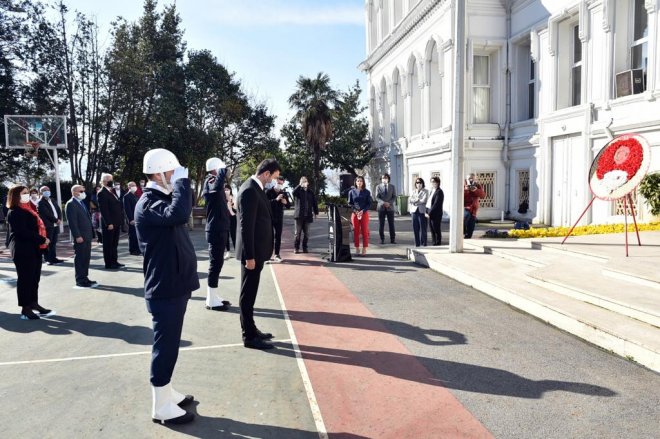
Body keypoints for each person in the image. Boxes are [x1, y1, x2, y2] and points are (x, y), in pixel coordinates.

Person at [135, 148, 198, 425]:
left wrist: (181, 184)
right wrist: (182, 183)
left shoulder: (162, 198)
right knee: (165, 347)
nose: (176, 177)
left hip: (174, 284)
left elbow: (182, 208)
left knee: (170, 345)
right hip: (164, 287)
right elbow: (179, 214)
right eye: (172, 172)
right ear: (159, 174)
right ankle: (160, 406)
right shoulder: (148, 202)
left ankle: (167, 392)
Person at [235, 158, 280, 350]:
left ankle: (252, 329)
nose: (274, 181)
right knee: (247, 294)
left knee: (251, 293)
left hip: (258, 252)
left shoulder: (256, 188)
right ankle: (249, 336)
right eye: (274, 177)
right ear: (266, 173)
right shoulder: (249, 190)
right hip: (252, 254)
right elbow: (246, 227)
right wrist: (249, 256)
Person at [5, 185, 51, 319]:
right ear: (16, 196)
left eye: (27, 192)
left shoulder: (29, 208)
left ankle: (33, 303)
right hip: (22, 249)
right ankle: (25, 307)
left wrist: (42, 240)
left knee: (34, 278)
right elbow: (22, 232)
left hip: (34, 247)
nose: (27, 195)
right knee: (25, 279)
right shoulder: (14, 211)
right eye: (24, 193)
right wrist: (42, 239)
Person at [203, 157, 232, 312]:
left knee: (217, 263)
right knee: (215, 264)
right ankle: (211, 300)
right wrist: (221, 171)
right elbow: (216, 186)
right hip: (216, 229)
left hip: (219, 228)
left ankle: (213, 295)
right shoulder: (211, 180)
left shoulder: (214, 181)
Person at [65, 185, 98, 288]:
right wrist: (77, 235)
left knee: (86, 258)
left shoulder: (81, 202)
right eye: (81, 191)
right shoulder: (71, 204)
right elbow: (72, 222)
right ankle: (80, 280)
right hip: (80, 237)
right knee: (80, 258)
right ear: (74, 192)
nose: (83, 193)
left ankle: (85, 278)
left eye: (83, 191)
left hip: (87, 236)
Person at [97, 173, 124, 269]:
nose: (111, 181)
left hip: (116, 222)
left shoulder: (111, 191)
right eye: (109, 180)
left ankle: (114, 261)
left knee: (114, 244)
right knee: (108, 244)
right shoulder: (102, 192)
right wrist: (109, 223)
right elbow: (104, 210)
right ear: (104, 181)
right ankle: (109, 263)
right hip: (110, 223)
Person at [292, 176, 318, 254]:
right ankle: (296, 248)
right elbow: (293, 193)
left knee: (307, 234)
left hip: (308, 216)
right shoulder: (298, 191)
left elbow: (314, 203)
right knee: (297, 233)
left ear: (308, 182)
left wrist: (316, 212)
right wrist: (299, 185)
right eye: (303, 181)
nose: (304, 182)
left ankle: (305, 247)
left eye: (305, 181)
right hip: (299, 216)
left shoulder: (310, 192)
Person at [37, 185, 64, 265]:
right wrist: (56, 220)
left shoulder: (52, 200)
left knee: (54, 242)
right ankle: (48, 259)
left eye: (48, 190)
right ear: (41, 192)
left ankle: (53, 258)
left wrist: (59, 219)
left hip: (55, 225)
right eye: (45, 190)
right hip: (48, 225)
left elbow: (58, 210)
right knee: (48, 242)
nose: (47, 191)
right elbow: (47, 214)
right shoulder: (40, 202)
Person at [265, 175, 289, 262]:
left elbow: (288, 206)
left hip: (279, 217)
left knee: (278, 236)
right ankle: (267, 255)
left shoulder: (284, 193)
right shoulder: (268, 191)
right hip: (270, 217)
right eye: (278, 183)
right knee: (269, 236)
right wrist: (276, 199)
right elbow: (265, 204)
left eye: (281, 184)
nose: (279, 185)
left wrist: (285, 202)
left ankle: (277, 254)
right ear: (275, 182)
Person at [348, 176, 373, 256]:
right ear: (355, 182)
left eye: (361, 181)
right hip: (355, 214)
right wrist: (355, 211)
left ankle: (364, 248)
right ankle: (357, 248)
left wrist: (363, 211)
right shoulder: (351, 192)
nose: (359, 182)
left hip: (364, 214)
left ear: (363, 182)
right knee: (356, 231)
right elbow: (349, 203)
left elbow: (369, 204)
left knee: (364, 231)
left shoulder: (367, 192)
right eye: (358, 181)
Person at [376, 173, 397, 245]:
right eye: (383, 178)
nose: (384, 179)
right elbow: (377, 197)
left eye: (386, 178)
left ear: (388, 179)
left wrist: (389, 203)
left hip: (390, 208)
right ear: (381, 179)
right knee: (381, 224)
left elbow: (394, 197)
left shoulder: (392, 187)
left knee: (391, 224)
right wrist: (383, 203)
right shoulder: (378, 187)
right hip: (381, 208)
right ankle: (382, 239)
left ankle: (392, 239)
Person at [464, 173, 486, 239]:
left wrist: (475, 190)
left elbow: (483, 195)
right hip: (465, 207)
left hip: (473, 208)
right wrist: (466, 190)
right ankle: (462, 232)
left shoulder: (477, 185)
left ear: (475, 179)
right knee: (465, 218)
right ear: (466, 179)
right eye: (469, 178)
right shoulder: (463, 184)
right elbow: (460, 195)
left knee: (471, 225)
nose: (471, 180)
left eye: (472, 179)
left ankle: (468, 237)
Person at [409, 177, 429, 247]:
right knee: (415, 228)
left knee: (423, 229)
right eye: (417, 183)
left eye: (420, 182)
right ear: (415, 184)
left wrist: (415, 201)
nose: (419, 184)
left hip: (421, 211)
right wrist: (416, 200)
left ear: (422, 184)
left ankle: (423, 243)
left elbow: (424, 200)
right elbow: (410, 200)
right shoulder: (413, 191)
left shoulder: (425, 191)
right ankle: (417, 243)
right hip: (414, 212)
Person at [123, 181, 142, 256]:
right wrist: (130, 219)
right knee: (132, 235)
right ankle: (133, 250)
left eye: (135, 185)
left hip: (137, 218)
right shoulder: (126, 196)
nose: (134, 187)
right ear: (129, 187)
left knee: (137, 234)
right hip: (132, 219)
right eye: (132, 185)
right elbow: (127, 209)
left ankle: (137, 249)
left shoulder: (135, 195)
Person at [427, 176, 445, 246]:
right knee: (431, 229)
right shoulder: (432, 191)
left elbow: (436, 204)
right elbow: (429, 202)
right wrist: (426, 211)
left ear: (438, 183)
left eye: (434, 182)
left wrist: (429, 213)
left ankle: (438, 242)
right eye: (431, 182)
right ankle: (434, 242)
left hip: (436, 213)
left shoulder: (439, 192)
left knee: (436, 228)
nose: (433, 183)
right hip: (430, 212)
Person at [224, 185, 237, 260]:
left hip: (232, 218)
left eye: (227, 189)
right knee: (226, 235)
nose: (226, 191)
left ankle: (237, 251)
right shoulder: (222, 198)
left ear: (230, 190)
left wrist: (231, 202)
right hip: (225, 218)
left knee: (233, 234)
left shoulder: (233, 197)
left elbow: (236, 208)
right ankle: (228, 252)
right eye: (225, 189)